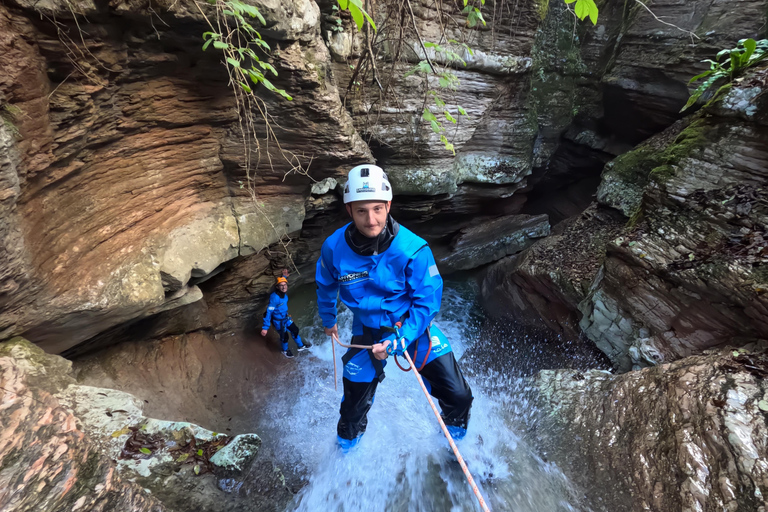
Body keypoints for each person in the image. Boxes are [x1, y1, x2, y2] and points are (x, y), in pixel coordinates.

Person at [315, 164, 473, 451]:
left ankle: (452, 444)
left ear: (389, 205)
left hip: (410, 326)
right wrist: (329, 320)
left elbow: (427, 302)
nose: (371, 219)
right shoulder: (333, 247)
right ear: (349, 210)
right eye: (361, 210)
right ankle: (346, 455)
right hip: (367, 330)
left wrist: (400, 339)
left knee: (459, 396)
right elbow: (326, 285)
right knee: (351, 409)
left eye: (377, 209)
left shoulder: (413, 249)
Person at [261, 273, 311, 358]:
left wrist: (284, 277)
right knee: (285, 337)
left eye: (285, 285)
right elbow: (269, 312)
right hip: (278, 321)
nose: (284, 287)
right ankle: (285, 350)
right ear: (277, 287)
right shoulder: (275, 298)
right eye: (281, 285)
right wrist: (265, 328)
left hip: (285, 317)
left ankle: (300, 346)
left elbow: (282, 284)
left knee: (295, 330)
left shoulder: (283, 294)